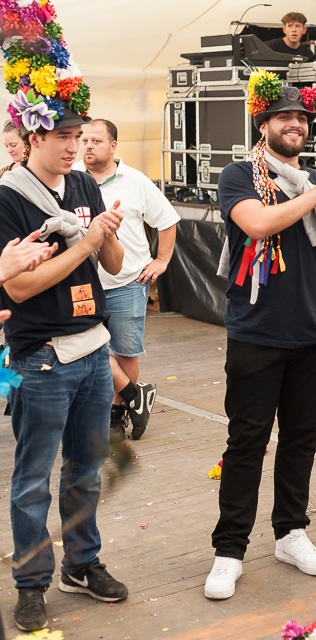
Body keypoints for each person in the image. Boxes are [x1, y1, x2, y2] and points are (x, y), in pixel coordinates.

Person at [204, 82, 316, 600]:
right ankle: (230, 551)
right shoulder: (240, 176)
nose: (296, 123)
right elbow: (258, 223)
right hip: (258, 334)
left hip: (315, 333)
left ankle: (291, 533)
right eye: (284, 116)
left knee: (300, 439)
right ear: (262, 124)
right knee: (246, 443)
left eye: (302, 117)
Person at [0, 109, 128, 632]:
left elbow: (113, 265)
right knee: (33, 479)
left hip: (94, 348)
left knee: (87, 470)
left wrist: (107, 234)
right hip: (41, 356)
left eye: (78, 136)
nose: (74, 147)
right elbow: (18, 286)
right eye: (62, 137)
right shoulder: (9, 197)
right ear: (33, 137)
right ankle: (31, 583)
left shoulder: (82, 184)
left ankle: (81, 564)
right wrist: (88, 242)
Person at [74, 119, 181, 441]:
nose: (88, 146)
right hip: (82, 284)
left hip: (127, 282)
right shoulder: (71, 179)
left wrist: (161, 261)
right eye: (84, 140)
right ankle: (137, 396)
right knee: (83, 346)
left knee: (125, 352)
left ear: (113, 146)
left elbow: (167, 220)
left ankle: (116, 414)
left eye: (96, 141)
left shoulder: (135, 181)